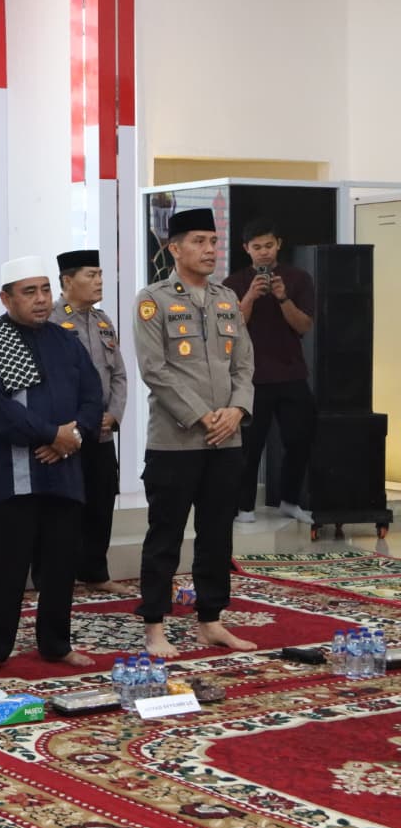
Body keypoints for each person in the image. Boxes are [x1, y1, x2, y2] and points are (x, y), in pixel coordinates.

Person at [0, 256, 103, 677]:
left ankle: (56, 644)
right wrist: (49, 434)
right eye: (29, 292)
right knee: (1, 568)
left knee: (60, 565)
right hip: (10, 477)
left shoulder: (65, 341)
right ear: (6, 299)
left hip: (63, 471)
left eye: (45, 290)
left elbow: (92, 396)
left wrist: (71, 438)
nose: (41, 300)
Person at [133, 208, 257, 658]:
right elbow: (155, 370)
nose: (209, 250)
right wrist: (204, 415)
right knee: (164, 535)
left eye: (213, 241)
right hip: (176, 441)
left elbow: (244, 364)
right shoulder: (153, 300)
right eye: (199, 241)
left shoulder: (226, 298)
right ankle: (154, 625)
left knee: (217, 534)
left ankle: (211, 621)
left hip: (227, 438)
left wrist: (237, 410)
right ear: (175, 248)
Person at [49, 249, 134, 596]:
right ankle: (58, 577)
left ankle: (96, 572)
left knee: (101, 502)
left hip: (102, 432)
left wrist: (114, 414)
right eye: (91, 275)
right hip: (68, 433)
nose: (99, 281)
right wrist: (77, 422)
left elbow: (119, 375)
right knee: (65, 508)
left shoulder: (102, 320)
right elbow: (50, 383)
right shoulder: (50, 321)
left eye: (100, 274)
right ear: (68, 280)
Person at [221, 219, 316, 524]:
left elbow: (304, 325)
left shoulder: (298, 278)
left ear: (279, 245)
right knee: (250, 446)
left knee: (300, 440)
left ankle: (290, 500)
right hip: (251, 377)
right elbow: (232, 328)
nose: (263, 252)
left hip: (292, 373)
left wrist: (283, 297)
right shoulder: (232, 283)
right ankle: (244, 507)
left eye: (269, 245)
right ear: (246, 249)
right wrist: (250, 296)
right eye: (257, 247)